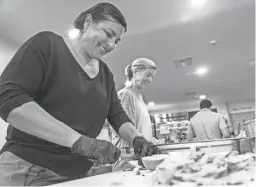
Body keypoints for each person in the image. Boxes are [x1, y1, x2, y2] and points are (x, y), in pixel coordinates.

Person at [0, 3, 159, 186]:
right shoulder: (48, 44)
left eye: (116, 41)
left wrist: (138, 139)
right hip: (30, 169)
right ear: (88, 22)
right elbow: (8, 99)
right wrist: (79, 142)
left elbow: (117, 115)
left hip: (78, 172)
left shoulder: (105, 74)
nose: (111, 45)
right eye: (108, 34)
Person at [110, 58, 160, 171]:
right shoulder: (126, 95)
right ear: (136, 71)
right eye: (148, 75)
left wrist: (153, 141)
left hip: (139, 158)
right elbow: (126, 131)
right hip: (128, 160)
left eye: (152, 76)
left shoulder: (140, 99)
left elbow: (140, 130)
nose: (150, 79)